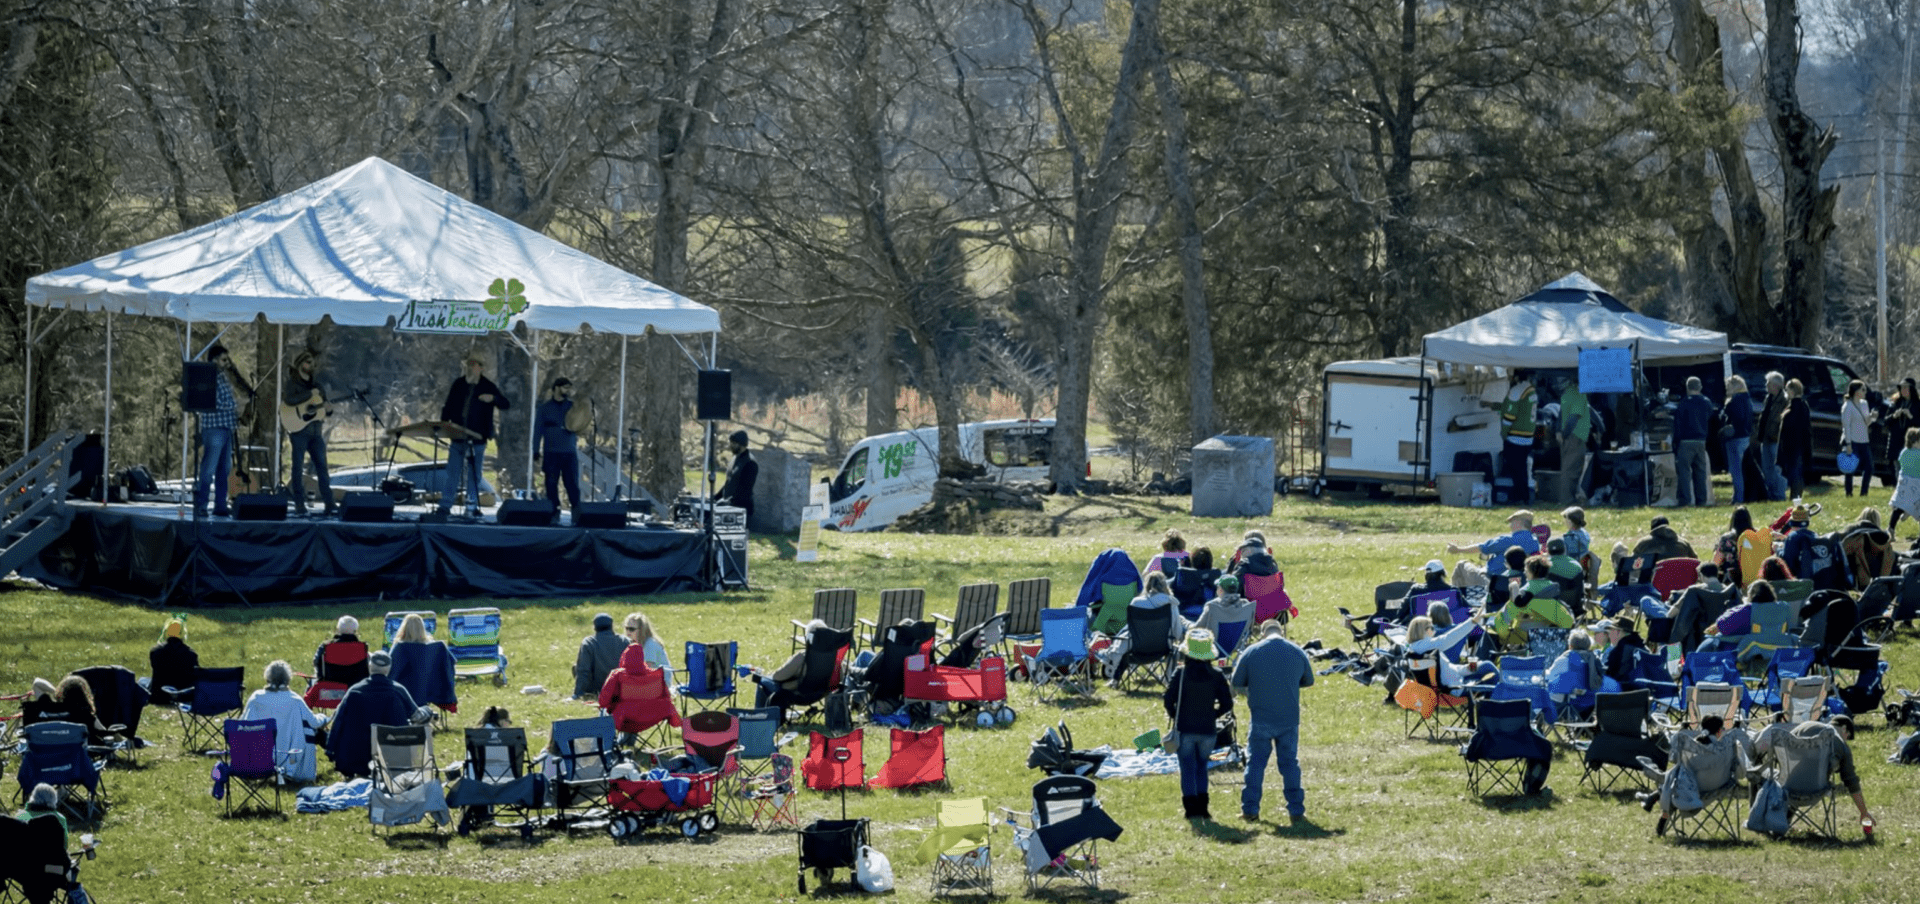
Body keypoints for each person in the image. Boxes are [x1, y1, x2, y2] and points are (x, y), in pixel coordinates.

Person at [1230, 619, 1313, 822]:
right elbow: (1308, 680)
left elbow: (1236, 681)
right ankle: (1296, 811)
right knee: (1290, 764)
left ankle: (1250, 810)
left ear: (1262, 633)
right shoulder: (1297, 651)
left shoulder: (1251, 651)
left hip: (1261, 717)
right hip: (1289, 718)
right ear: (1281, 632)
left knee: (1255, 764)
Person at [1751, 715, 1874, 833]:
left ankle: (1760, 819)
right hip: (1817, 791)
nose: (1846, 740)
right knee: (1804, 776)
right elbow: (1851, 782)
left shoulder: (1805, 726)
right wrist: (1863, 812)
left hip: (1787, 789)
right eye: (1848, 736)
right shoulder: (1841, 745)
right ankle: (1782, 820)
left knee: (1757, 772)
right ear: (1844, 729)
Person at [1163, 628, 1233, 821]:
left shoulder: (1181, 673)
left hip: (1185, 728)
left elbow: (1168, 699)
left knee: (1187, 768)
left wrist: (1175, 715)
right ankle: (1203, 808)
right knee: (1202, 766)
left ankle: (1191, 809)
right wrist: (1213, 715)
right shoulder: (1217, 674)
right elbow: (1227, 704)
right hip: (1208, 730)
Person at [324, 649, 423, 779]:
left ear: (369, 666)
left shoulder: (354, 690)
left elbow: (338, 721)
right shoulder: (398, 690)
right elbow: (418, 717)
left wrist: (330, 749)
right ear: (388, 669)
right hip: (392, 759)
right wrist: (426, 711)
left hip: (356, 759)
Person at [438, 353, 511, 518]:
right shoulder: (458, 384)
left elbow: (505, 404)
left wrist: (493, 398)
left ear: (481, 368)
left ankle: (471, 506)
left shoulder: (488, 386)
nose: (470, 367)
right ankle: (445, 505)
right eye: (468, 364)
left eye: (474, 364)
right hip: (458, 436)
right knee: (452, 473)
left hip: (478, 438)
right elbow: (448, 406)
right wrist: (444, 425)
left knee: (475, 475)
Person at [193, 344, 255, 519]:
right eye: (224, 360)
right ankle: (201, 505)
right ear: (214, 360)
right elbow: (214, 402)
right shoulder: (208, 377)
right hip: (214, 428)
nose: (227, 363)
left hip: (227, 428)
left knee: (224, 470)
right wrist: (238, 404)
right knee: (208, 469)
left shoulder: (224, 377)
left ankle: (220, 506)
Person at [241, 660, 326, 783]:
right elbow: (314, 722)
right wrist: (324, 717)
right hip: (289, 757)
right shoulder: (294, 699)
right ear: (288, 679)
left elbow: (242, 724)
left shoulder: (256, 698)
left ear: (268, 677)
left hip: (258, 757)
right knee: (311, 731)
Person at [1103, 572, 1187, 685]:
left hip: (1136, 650)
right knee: (1174, 649)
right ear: (1165, 585)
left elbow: (1131, 630)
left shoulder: (1136, 603)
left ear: (1146, 585)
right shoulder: (1171, 603)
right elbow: (1177, 633)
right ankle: (1169, 679)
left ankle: (1115, 679)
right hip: (1162, 649)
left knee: (1125, 640)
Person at [282, 349, 337, 518]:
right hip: (299, 431)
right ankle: (299, 503)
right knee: (297, 468)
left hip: (316, 433)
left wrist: (328, 409)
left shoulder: (318, 387)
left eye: (312, 363)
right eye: (308, 362)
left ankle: (329, 503)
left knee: (322, 467)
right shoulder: (292, 384)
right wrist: (308, 394)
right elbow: (289, 400)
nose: (311, 365)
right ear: (300, 364)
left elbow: (324, 409)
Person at [1445, 510, 1539, 604]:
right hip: (1520, 581)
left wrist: (1458, 549)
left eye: (1512, 522)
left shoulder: (1506, 540)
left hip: (1492, 581)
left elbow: (1481, 548)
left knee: (1461, 566)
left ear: (1519, 522)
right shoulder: (1535, 542)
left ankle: (1455, 602)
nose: (1510, 525)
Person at [533, 376, 583, 511]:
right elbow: (537, 430)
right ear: (556, 388)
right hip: (551, 452)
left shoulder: (572, 407)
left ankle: (577, 511)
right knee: (551, 484)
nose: (568, 390)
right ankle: (553, 511)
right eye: (565, 387)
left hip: (569, 452)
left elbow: (582, 422)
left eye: (569, 388)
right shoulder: (545, 408)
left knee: (572, 484)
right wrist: (535, 450)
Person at [753, 619, 824, 709]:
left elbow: (778, 676)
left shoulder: (802, 657)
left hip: (798, 694)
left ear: (809, 638)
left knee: (762, 681)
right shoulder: (832, 658)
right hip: (820, 694)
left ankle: (760, 714)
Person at [1492, 371, 1537, 503]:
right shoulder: (1531, 390)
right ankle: (1524, 496)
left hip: (1516, 436)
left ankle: (1520, 496)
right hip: (1528, 436)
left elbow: (1510, 415)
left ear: (1516, 377)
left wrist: (1504, 432)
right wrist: (1493, 405)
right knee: (1522, 467)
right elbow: (1520, 409)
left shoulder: (1517, 390)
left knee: (1516, 468)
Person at [1673, 376, 1715, 507]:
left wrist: (1676, 442)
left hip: (1685, 441)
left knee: (1684, 472)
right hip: (1701, 441)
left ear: (1687, 388)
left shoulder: (1683, 403)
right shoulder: (1706, 402)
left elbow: (1677, 425)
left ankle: (1685, 500)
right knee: (1700, 472)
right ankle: (1701, 500)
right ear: (1700, 387)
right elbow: (1711, 418)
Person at [573, 613, 628, 700]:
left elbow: (583, 670)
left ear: (594, 627)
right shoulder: (624, 641)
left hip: (596, 689)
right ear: (612, 626)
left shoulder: (589, 643)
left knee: (575, 667)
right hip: (620, 689)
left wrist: (577, 694)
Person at [147, 617, 198, 706]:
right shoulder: (191, 654)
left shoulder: (155, 651)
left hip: (158, 696)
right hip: (183, 697)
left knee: (143, 681)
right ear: (183, 633)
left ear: (166, 632)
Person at [1721, 375, 1755, 503]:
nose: (1726, 388)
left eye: (1728, 386)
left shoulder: (1735, 400)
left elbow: (1737, 419)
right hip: (1745, 437)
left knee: (1736, 470)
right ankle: (1738, 496)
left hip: (1735, 438)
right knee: (1741, 469)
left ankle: (1738, 498)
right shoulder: (1747, 399)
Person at [1558, 377, 1591, 504]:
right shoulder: (1579, 394)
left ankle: (1568, 499)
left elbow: (1562, 414)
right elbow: (1573, 417)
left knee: (1568, 468)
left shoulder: (1567, 393)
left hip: (1571, 437)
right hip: (1575, 437)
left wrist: (1561, 433)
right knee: (1571, 471)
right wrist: (1566, 434)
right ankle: (1567, 500)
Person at [1779, 378, 1814, 500]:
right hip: (1798, 445)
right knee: (1795, 472)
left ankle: (1795, 497)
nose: (1786, 392)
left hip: (1794, 445)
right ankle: (1795, 496)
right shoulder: (1802, 406)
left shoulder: (1796, 406)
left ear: (1792, 391)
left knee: (1795, 473)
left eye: (1787, 390)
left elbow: (1794, 427)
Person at [312, 615, 370, 688]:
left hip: (330, 689)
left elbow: (316, 662)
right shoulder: (362, 648)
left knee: (312, 681)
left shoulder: (326, 647)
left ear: (338, 629)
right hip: (357, 687)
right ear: (355, 631)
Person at [1842, 380, 1877, 500]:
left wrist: (1872, 417)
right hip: (1853, 441)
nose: (1865, 392)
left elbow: (1867, 422)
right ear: (1856, 391)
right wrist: (1848, 444)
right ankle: (1849, 493)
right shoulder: (1847, 406)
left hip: (1864, 440)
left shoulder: (1864, 403)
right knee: (1850, 468)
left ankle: (1864, 493)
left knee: (1869, 467)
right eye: (1863, 390)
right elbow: (1846, 426)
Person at [1757, 370, 1789, 501]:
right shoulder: (1768, 399)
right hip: (1765, 439)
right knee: (1767, 469)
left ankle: (1779, 495)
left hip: (1777, 439)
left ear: (1776, 385)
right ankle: (1771, 494)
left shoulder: (1785, 400)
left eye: (1768, 383)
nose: (1766, 385)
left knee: (1777, 469)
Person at [715, 429, 758, 523]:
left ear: (741, 444)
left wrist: (729, 501)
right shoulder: (734, 459)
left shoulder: (750, 463)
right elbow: (729, 482)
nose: (730, 446)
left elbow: (746, 489)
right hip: (729, 507)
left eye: (733, 443)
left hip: (741, 509)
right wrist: (716, 497)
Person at [1882, 378, 1915, 491]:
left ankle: (1909, 490)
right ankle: (1899, 491)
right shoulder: (1895, 403)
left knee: (1910, 468)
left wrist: (1910, 416)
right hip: (1896, 441)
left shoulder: (1917, 405)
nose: (1903, 390)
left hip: (1911, 442)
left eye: (1906, 387)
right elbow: (1885, 421)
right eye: (1901, 387)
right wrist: (1894, 416)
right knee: (1897, 468)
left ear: (1912, 389)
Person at [623, 612, 672, 682]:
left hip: (660, 683)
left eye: (631, 629)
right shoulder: (633, 644)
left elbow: (648, 670)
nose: (628, 632)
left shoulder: (650, 644)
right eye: (626, 628)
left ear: (641, 630)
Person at [1632, 515, 1697, 566]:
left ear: (1652, 528)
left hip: (1655, 578)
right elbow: (1695, 561)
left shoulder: (1643, 543)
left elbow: (1632, 563)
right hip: (1681, 577)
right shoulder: (1683, 543)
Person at [1891, 427, 1920, 536]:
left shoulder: (1904, 452)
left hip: (1904, 483)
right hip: (1916, 485)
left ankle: (1891, 528)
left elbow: (1901, 463)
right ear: (1916, 441)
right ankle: (1908, 511)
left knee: (1898, 506)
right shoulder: (1918, 454)